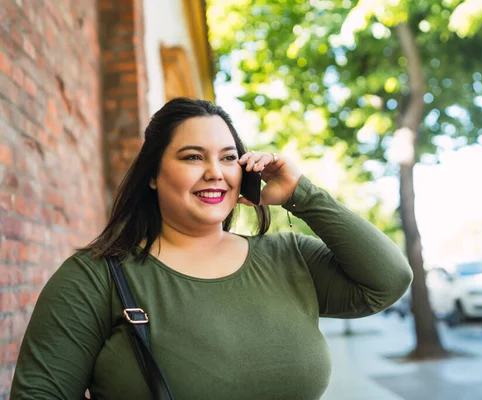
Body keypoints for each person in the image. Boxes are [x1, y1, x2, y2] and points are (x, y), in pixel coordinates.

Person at [10, 98, 413, 399]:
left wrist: (301, 194)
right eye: (192, 157)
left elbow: (388, 280)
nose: (214, 172)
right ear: (153, 174)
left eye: (228, 158)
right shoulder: (95, 277)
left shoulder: (289, 258)